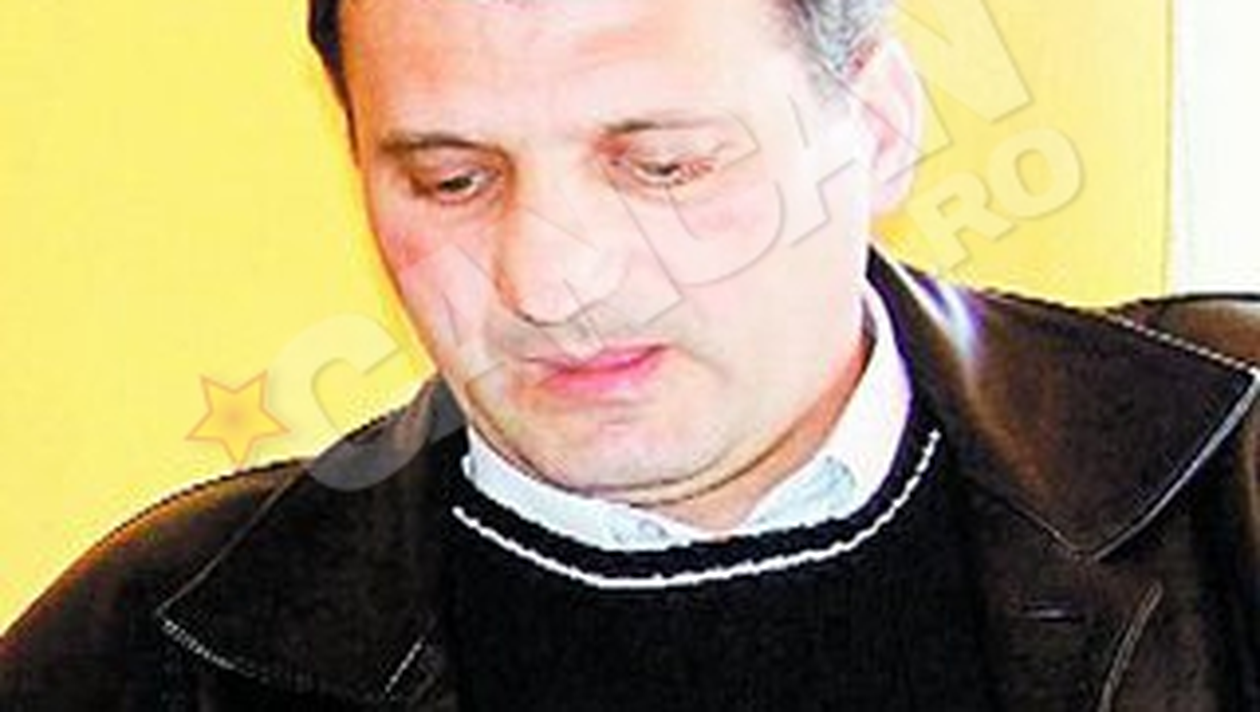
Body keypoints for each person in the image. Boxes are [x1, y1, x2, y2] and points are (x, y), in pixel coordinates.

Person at [2, 0, 1257, 709]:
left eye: (663, 167)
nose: (550, 282)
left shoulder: (1236, 487)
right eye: (452, 181)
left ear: (875, 131)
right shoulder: (155, 654)